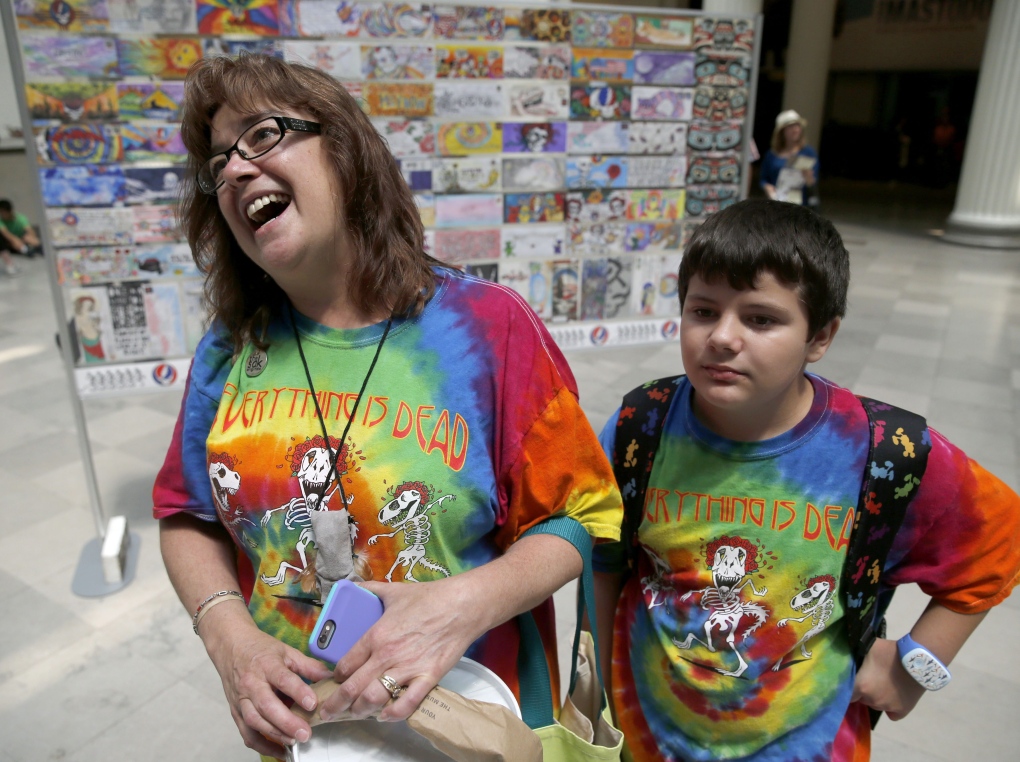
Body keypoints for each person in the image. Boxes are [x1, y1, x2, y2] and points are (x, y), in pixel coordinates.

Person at [154, 54, 622, 761]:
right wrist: (229, 637)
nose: (237, 171)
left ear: (346, 151)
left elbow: (582, 517)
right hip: (310, 736)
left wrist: (464, 605)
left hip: (469, 719)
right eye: (219, 162)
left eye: (263, 136)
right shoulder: (231, 347)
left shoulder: (486, 328)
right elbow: (186, 513)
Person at [593, 199, 1020, 761]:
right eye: (703, 311)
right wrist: (599, 690)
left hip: (807, 745)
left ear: (819, 337)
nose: (722, 337)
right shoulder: (639, 426)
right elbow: (606, 566)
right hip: (646, 734)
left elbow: (1000, 538)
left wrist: (916, 664)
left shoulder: (882, 450)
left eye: (760, 319)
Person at [760, 110, 819, 207]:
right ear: (782, 131)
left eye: (797, 126)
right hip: (777, 204)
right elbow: (764, 179)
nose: (795, 130)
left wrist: (809, 177)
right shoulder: (771, 155)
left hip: (801, 206)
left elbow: (813, 181)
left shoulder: (808, 153)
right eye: (791, 126)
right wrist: (768, 188)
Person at [0, 198, 41, 275]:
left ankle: (33, 248)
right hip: (8, 242)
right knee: (14, 240)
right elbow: (7, 234)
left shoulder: (20, 217)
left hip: (21, 239)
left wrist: (29, 239)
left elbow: (30, 231)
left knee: (31, 239)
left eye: (3, 212)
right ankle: (26, 251)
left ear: (10, 211)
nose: (2, 214)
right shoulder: (0, 220)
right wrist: (16, 241)